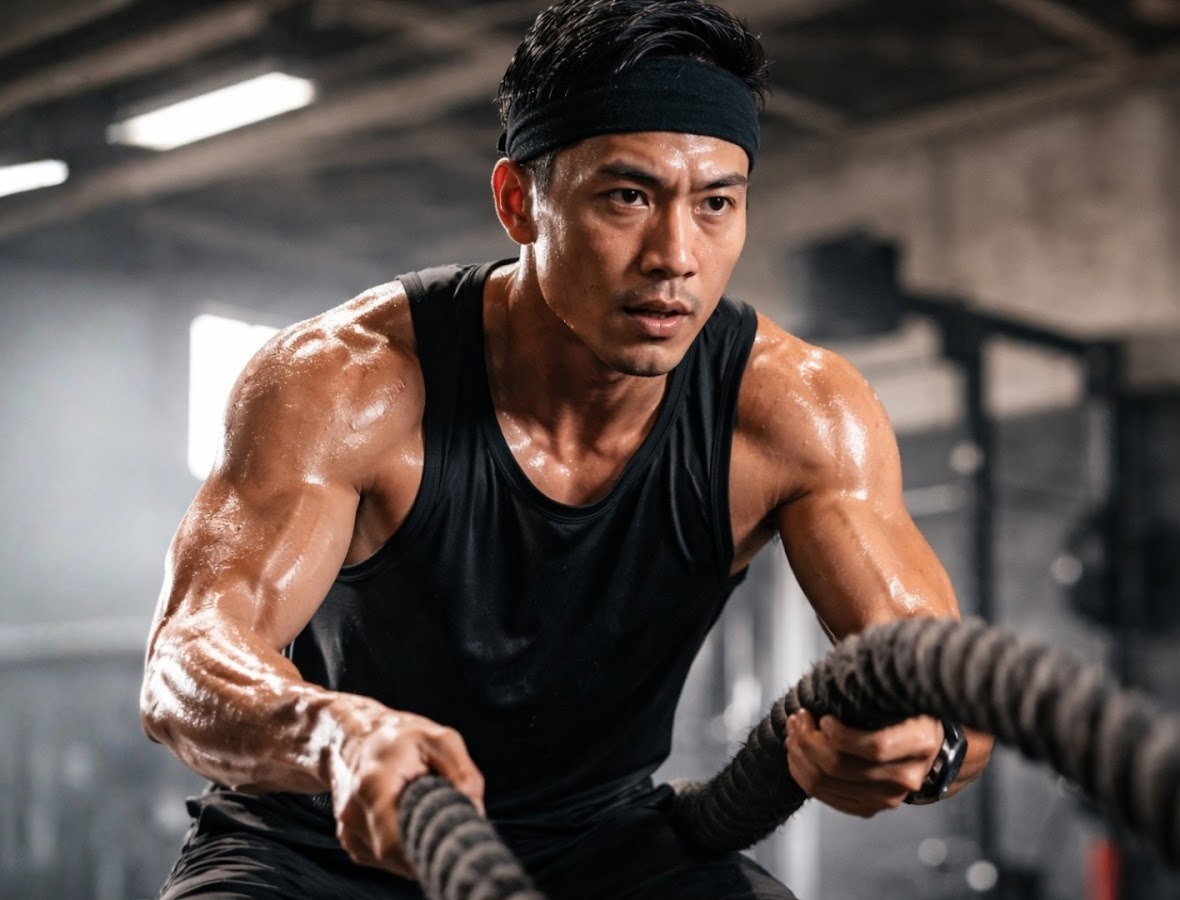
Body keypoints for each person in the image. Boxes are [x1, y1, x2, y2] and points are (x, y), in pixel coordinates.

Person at [141, 1, 992, 897]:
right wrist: (336, 736)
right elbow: (187, 658)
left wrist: (929, 747)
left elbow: (955, 693)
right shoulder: (344, 381)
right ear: (519, 203)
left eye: (715, 204)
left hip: (603, 848)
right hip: (319, 845)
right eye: (628, 196)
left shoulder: (801, 412)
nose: (676, 255)